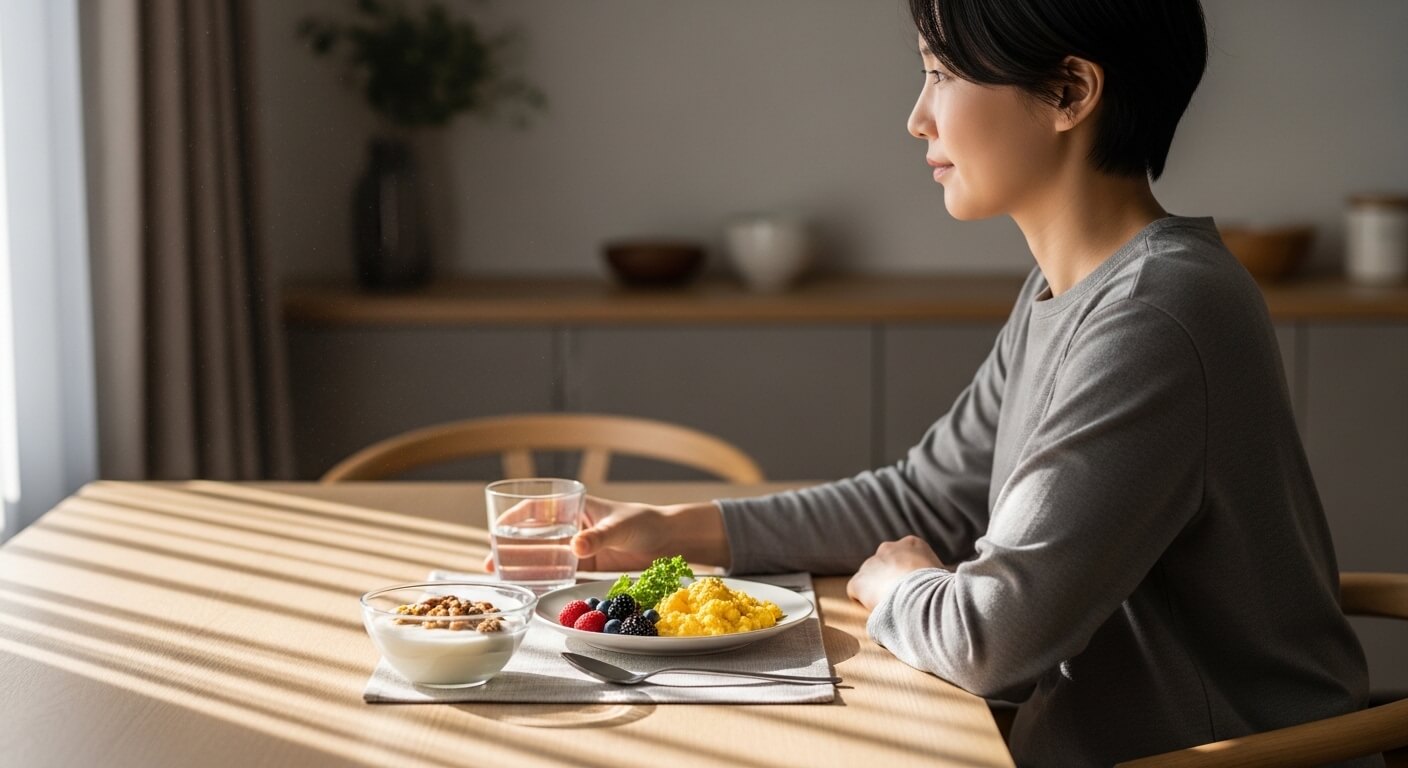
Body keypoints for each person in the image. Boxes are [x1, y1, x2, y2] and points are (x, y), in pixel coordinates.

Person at [489, 1, 1377, 765]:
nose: (918, 118)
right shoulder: (1069, 291)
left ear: (1070, 91)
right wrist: (678, 530)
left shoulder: (1156, 314)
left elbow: (993, 639)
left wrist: (895, 587)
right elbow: (928, 496)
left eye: (943, 74)